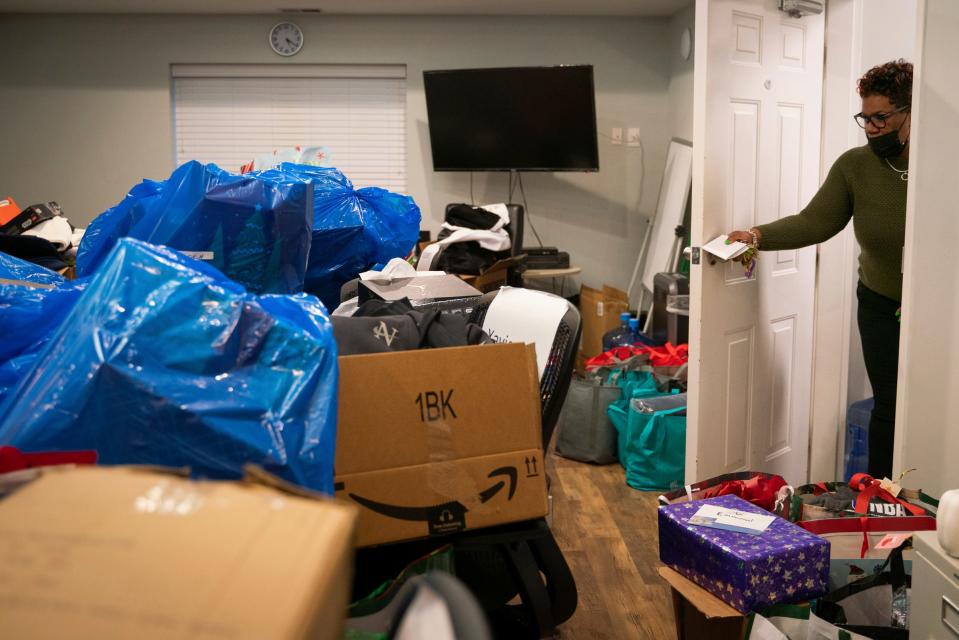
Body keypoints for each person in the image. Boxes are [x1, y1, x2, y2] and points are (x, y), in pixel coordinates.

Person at [726, 60, 912, 480]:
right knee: (890, 404)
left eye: (882, 117)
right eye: (865, 117)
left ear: (910, 112)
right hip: (881, 306)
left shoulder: (940, 167)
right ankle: (885, 501)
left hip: (936, 312)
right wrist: (757, 235)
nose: (871, 127)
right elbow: (816, 221)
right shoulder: (855, 167)